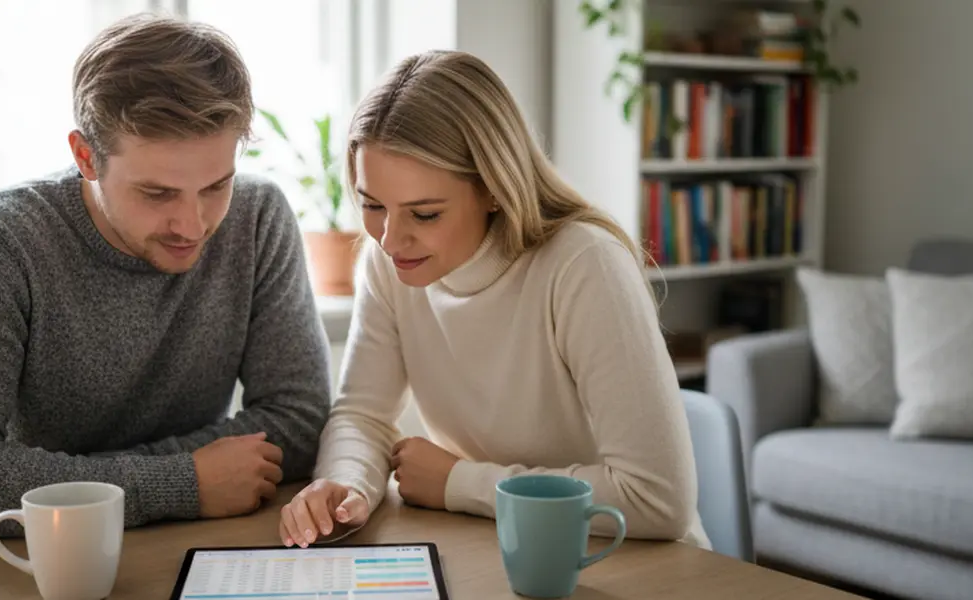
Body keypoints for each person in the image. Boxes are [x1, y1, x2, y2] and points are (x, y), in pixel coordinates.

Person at [0, 13, 332, 543]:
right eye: (157, 193)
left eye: (216, 186)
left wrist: (99, 480)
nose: (193, 225)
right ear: (86, 156)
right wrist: (182, 481)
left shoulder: (257, 218)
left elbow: (301, 422)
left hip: (186, 548)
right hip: (42, 560)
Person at [277, 50, 709, 549]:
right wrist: (345, 484)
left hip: (635, 560)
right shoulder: (388, 264)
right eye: (372, 205)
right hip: (503, 545)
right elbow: (363, 416)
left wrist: (460, 483)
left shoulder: (584, 264)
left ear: (493, 189)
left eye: (425, 214)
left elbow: (657, 499)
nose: (391, 239)